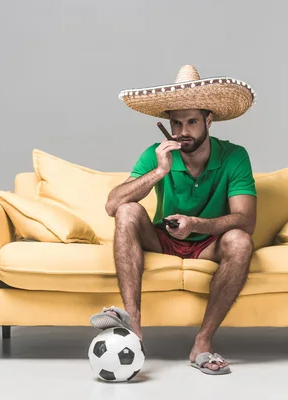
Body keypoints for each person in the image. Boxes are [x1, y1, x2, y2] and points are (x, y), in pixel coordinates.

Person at [90, 65, 257, 375]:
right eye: (176, 123)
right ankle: (134, 327)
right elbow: (113, 205)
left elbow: (245, 221)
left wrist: (197, 225)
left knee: (240, 241)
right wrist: (160, 171)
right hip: (163, 239)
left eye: (192, 121)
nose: (183, 131)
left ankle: (203, 343)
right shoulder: (157, 154)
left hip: (208, 243)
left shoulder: (234, 156)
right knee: (128, 210)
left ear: (209, 120)